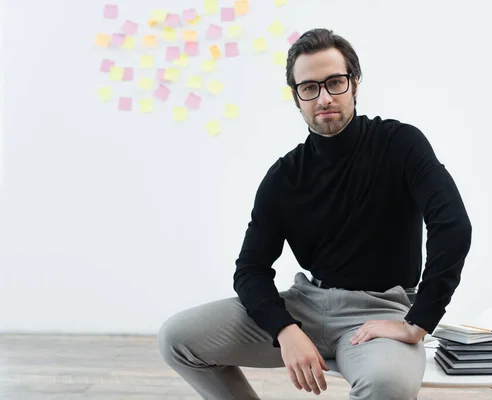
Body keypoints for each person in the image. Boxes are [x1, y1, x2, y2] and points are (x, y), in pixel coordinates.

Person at [158, 28, 472, 400]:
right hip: (306, 304)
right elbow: (250, 269)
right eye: (309, 87)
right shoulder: (284, 176)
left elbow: (451, 226)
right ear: (296, 97)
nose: (323, 97)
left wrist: (418, 321)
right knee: (177, 338)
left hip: (379, 311)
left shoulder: (401, 144)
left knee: (388, 385)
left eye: (335, 82)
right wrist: (285, 330)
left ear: (354, 84)